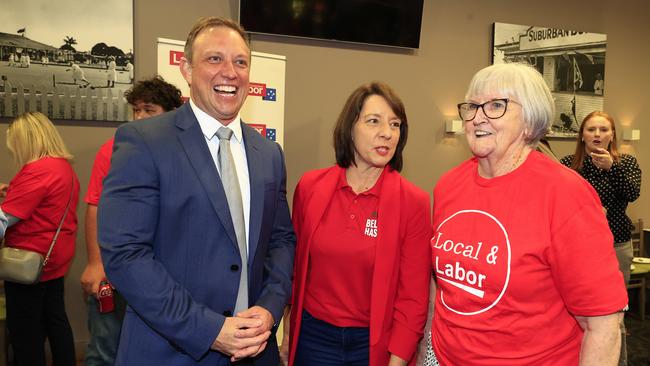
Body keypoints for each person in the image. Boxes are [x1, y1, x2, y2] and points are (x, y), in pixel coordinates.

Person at [97, 16, 296, 365]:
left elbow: (281, 242)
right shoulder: (144, 141)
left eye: (240, 61)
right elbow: (126, 255)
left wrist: (269, 308)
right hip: (169, 351)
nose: (230, 72)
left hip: (255, 351)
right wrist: (208, 330)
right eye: (214, 59)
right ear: (187, 69)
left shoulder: (268, 155)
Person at [429, 63, 627, 365]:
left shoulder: (566, 194)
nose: (477, 116)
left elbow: (602, 325)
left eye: (496, 105)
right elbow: (442, 287)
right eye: (472, 106)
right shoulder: (448, 185)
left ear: (530, 122)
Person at [281, 82, 432, 366]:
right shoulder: (311, 187)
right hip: (313, 338)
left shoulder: (414, 202)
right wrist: (288, 331)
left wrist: (397, 361)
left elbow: (413, 299)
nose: (387, 133)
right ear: (350, 128)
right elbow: (296, 271)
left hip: (373, 345)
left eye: (395, 124)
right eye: (373, 121)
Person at [81, 75, 183, 366]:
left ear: (171, 112)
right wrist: (95, 263)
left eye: (148, 109)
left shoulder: (186, 151)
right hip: (117, 272)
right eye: (136, 109)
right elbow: (95, 206)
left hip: (165, 275)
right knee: (105, 348)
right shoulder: (114, 148)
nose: (139, 116)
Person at [560, 111, 641, 366]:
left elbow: (633, 192)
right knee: (575, 309)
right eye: (591, 129)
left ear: (612, 134)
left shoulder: (626, 163)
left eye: (604, 129)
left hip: (616, 244)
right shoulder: (567, 164)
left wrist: (612, 168)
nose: (597, 134)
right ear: (582, 135)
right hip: (576, 247)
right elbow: (559, 203)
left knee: (613, 313)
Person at [0, 111, 80, 366]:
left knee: (26, 334)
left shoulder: (36, 170)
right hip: (52, 261)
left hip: (28, 264)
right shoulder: (62, 167)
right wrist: (12, 190)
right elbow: (46, 205)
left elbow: (4, 220)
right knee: (55, 321)